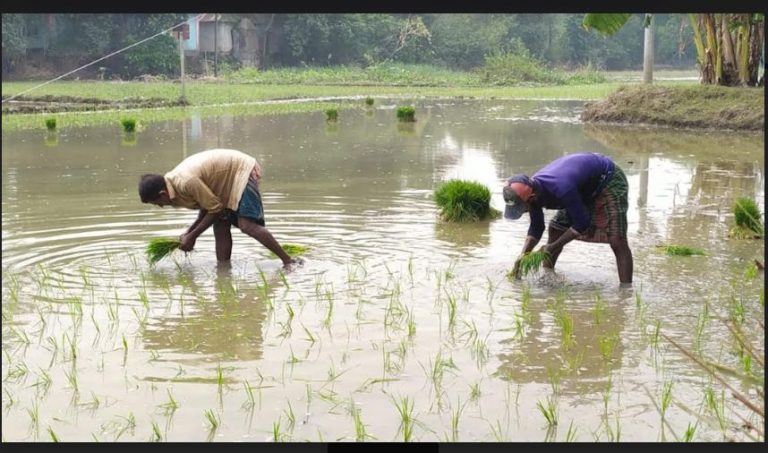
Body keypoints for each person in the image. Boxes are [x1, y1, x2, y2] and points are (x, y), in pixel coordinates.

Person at [138, 148, 302, 271]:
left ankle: (288, 261)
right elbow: (208, 205)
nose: (159, 206)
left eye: (156, 202)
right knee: (221, 224)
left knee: (247, 225)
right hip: (223, 184)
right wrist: (189, 232)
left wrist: (193, 236)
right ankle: (224, 271)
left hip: (240, 171)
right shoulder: (175, 186)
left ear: (162, 193)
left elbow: (214, 209)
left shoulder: (185, 182)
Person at [503, 151, 633, 284]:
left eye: (521, 207)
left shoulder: (561, 187)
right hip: (583, 187)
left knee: (617, 239)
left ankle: (626, 292)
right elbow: (537, 227)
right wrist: (522, 257)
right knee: (556, 228)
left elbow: (582, 223)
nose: (522, 211)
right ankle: (548, 278)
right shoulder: (533, 190)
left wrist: (552, 247)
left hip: (608, 178)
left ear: (531, 198)